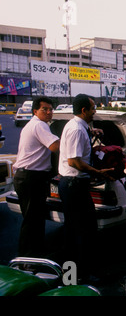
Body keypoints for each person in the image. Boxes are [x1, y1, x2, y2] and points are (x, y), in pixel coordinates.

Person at [58, 94, 114, 283]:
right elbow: (74, 161)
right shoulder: (76, 130)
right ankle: (76, 277)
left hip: (74, 185)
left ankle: (73, 275)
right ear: (84, 110)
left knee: (79, 230)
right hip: (74, 185)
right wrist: (98, 172)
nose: (94, 112)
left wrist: (92, 131)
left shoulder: (79, 127)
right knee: (80, 231)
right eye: (92, 109)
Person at [13, 96, 60, 257]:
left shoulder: (35, 124)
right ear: (35, 111)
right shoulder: (39, 125)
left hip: (31, 177)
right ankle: (26, 257)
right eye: (44, 109)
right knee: (31, 219)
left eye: (50, 109)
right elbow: (55, 146)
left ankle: (37, 252)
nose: (48, 112)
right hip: (30, 177)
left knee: (36, 217)